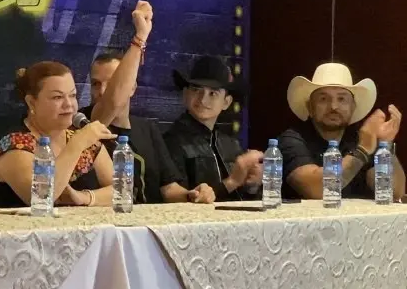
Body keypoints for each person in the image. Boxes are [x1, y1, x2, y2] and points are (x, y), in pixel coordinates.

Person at [80, 2, 215, 204]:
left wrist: (191, 195)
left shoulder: (147, 129)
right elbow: (113, 101)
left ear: (132, 86)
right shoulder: (85, 123)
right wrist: (140, 37)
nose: (101, 91)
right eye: (95, 84)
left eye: (112, 82)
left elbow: (168, 188)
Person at [0, 62, 117, 208]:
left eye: (72, 95)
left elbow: (122, 191)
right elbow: (40, 197)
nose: (69, 104)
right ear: (31, 103)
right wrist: (76, 144)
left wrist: (84, 197)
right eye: (57, 97)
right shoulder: (14, 145)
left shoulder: (82, 139)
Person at [279, 62, 405, 200]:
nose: (333, 106)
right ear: (310, 107)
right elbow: (317, 191)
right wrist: (362, 151)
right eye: (323, 99)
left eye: (342, 99)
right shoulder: (291, 139)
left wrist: (385, 146)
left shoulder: (360, 137)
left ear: (353, 107)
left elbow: (393, 192)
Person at [164, 56, 263, 201]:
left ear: (226, 102)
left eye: (213, 93)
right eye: (196, 90)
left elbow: (243, 202)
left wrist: (253, 184)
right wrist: (232, 182)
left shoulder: (231, 145)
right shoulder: (170, 142)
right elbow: (183, 200)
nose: (203, 99)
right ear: (185, 95)